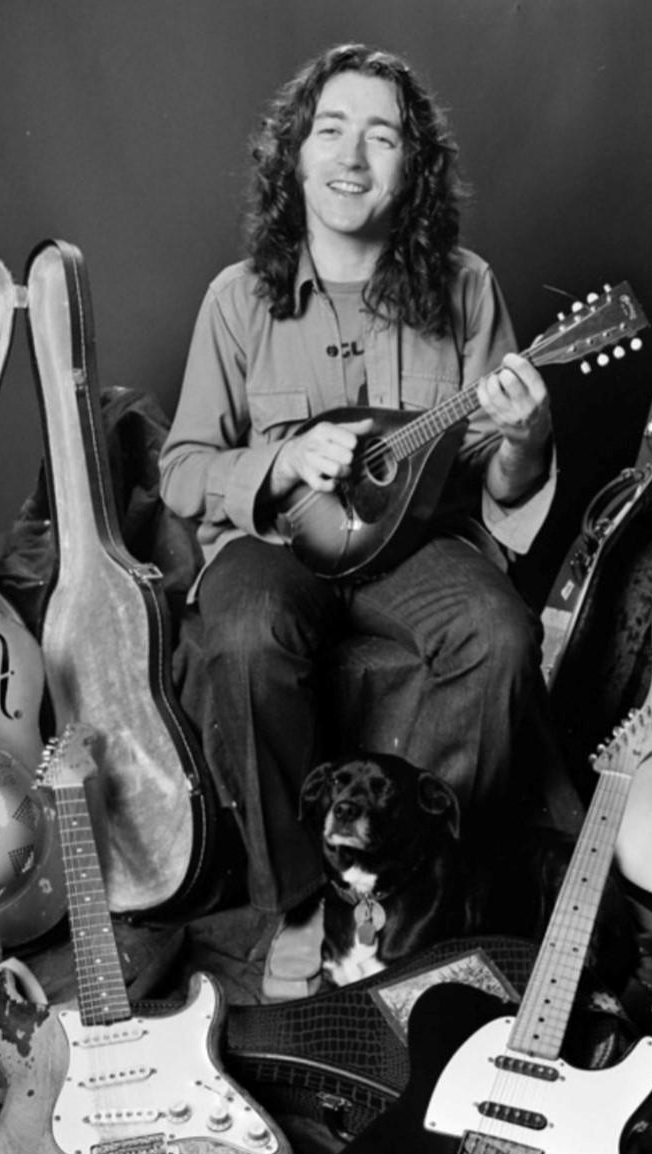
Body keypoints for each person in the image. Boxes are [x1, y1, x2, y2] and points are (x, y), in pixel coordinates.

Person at [159, 43, 580, 983]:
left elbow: (506, 488)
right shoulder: (237, 302)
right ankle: (302, 903)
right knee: (242, 634)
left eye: (381, 138)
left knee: (500, 637)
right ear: (296, 158)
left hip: (416, 550)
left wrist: (528, 438)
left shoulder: (466, 288)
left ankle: (414, 892)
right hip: (277, 548)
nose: (353, 158)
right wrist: (278, 462)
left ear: (413, 169)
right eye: (331, 132)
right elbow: (183, 467)